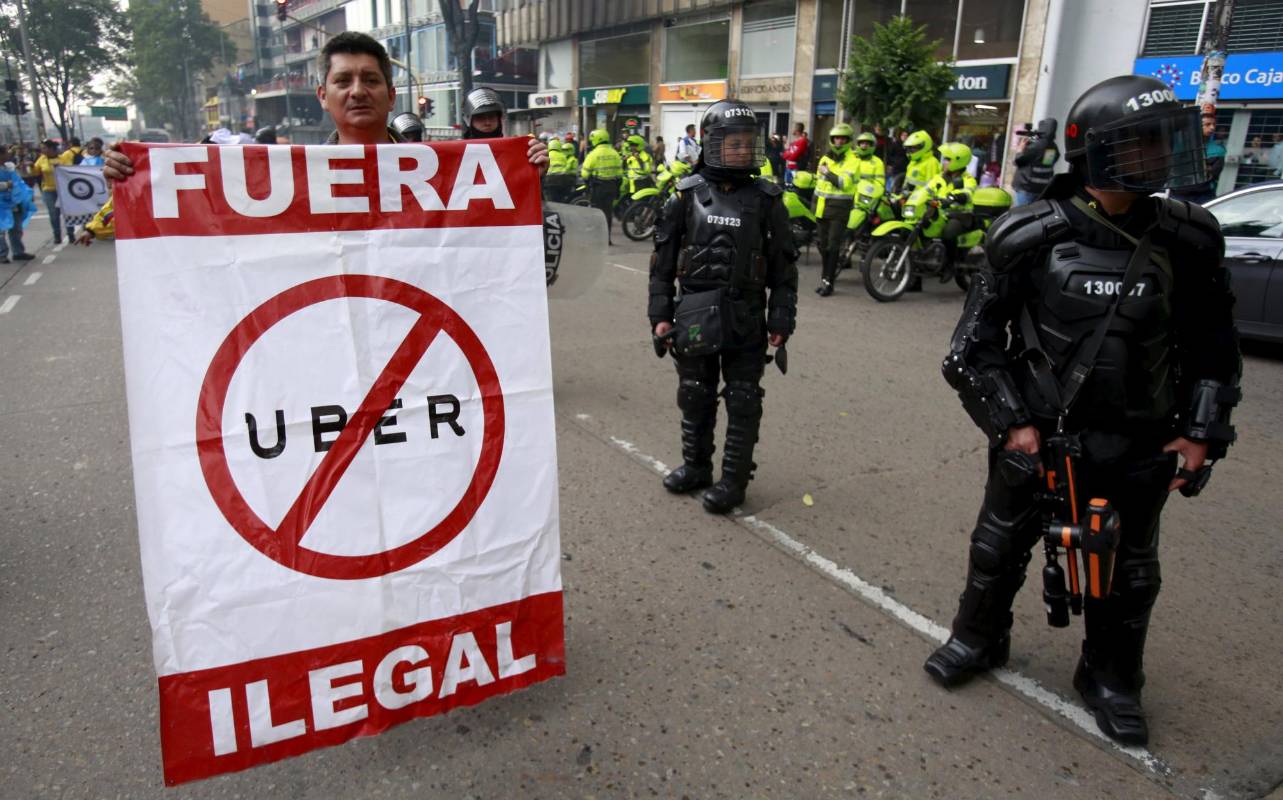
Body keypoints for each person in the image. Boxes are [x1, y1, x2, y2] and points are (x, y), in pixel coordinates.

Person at [923, 75, 1241, 748]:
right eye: (1140, 144)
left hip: (1140, 445)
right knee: (997, 547)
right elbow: (971, 351)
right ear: (1092, 151)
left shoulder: (1189, 239)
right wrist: (1012, 423)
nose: (1158, 157)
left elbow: (1214, 348)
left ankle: (1110, 680)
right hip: (1039, 439)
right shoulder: (1026, 235)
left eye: (1163, 142)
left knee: (1127, 572)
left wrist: (1200, 433)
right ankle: (978, 639)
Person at [649, 98, 798, 514]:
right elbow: (661, 263)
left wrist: (782, 318)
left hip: (746, 316)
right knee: (694, 393)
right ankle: (696, 466)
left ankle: (733, 481)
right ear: (713, 144)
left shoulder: (768, 200)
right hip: (694, 313)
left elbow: (785, 268)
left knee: (744, 398)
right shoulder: (685, 196)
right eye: (732, 143)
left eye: (746, 143)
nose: (740, 150)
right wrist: (660, 316)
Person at [813, 123, 859, 296]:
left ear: (847, 141)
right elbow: (819, 185)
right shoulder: (825, 159)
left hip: (839, 210)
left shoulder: (853, 161)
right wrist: (813, 206)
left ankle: (828, 282)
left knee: (833, 246)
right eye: (836, 138)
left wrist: (828, 173)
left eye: (842, 139)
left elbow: (843, 183)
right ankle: (825, 277)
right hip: (822, 209)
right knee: (822, 245)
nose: (839, 142)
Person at [580, 128, 623, 244]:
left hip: (598, 187)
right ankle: (607, 239)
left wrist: (588, 181)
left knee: (596, 213)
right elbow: (619, 174)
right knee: (608, 213)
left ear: (597, 140)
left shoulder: (593, 154)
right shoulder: (615, 153)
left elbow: (585, 173)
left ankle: (596, 239)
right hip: (612, 187)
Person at [1172, 113, 1226, 205]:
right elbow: (1175, 168)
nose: (1212, 128)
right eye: (1207, 124)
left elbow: (1212, 173)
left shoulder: (1218, 149)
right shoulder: (1181, 145)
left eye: (1214, 125)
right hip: (1179, 193)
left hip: (1204, 194)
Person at [32, 139, 76, 244]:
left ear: (51, 148)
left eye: (44, 148)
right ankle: (57, 236)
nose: (42, 150)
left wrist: (60, 167)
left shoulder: (63, 158)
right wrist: (30, 167)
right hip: (48, 190)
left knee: (68, 213)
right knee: (53, 214)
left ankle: (71, 234)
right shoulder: (41, 159)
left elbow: (70, 169)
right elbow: (35, 172)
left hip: (64, 190)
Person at [1012, 119, 1060, 206]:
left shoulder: (1036, 146)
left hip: (1026, 188)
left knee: (1022, 215)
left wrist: (1020, 150)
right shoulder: (1054, 147)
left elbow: (1018, 162)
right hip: (1041, 188)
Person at [0, 157, 34, 262]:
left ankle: (18, 252)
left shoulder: (9, 167)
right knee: (1, 230)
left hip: (14, 201)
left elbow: (18, 182)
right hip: (2, 203)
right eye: (5, 152)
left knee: (16, 228)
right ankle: (2, 254)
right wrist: (6, 185)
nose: (8, 154)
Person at [900, 130, 940, 198]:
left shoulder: (931, 162)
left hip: (921, 203)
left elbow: (931, 187)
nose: (910, 151)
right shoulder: (913, 162)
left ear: (924, 146)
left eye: (913, 148)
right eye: (909, 148)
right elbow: (906, 183)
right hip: (908, 201)